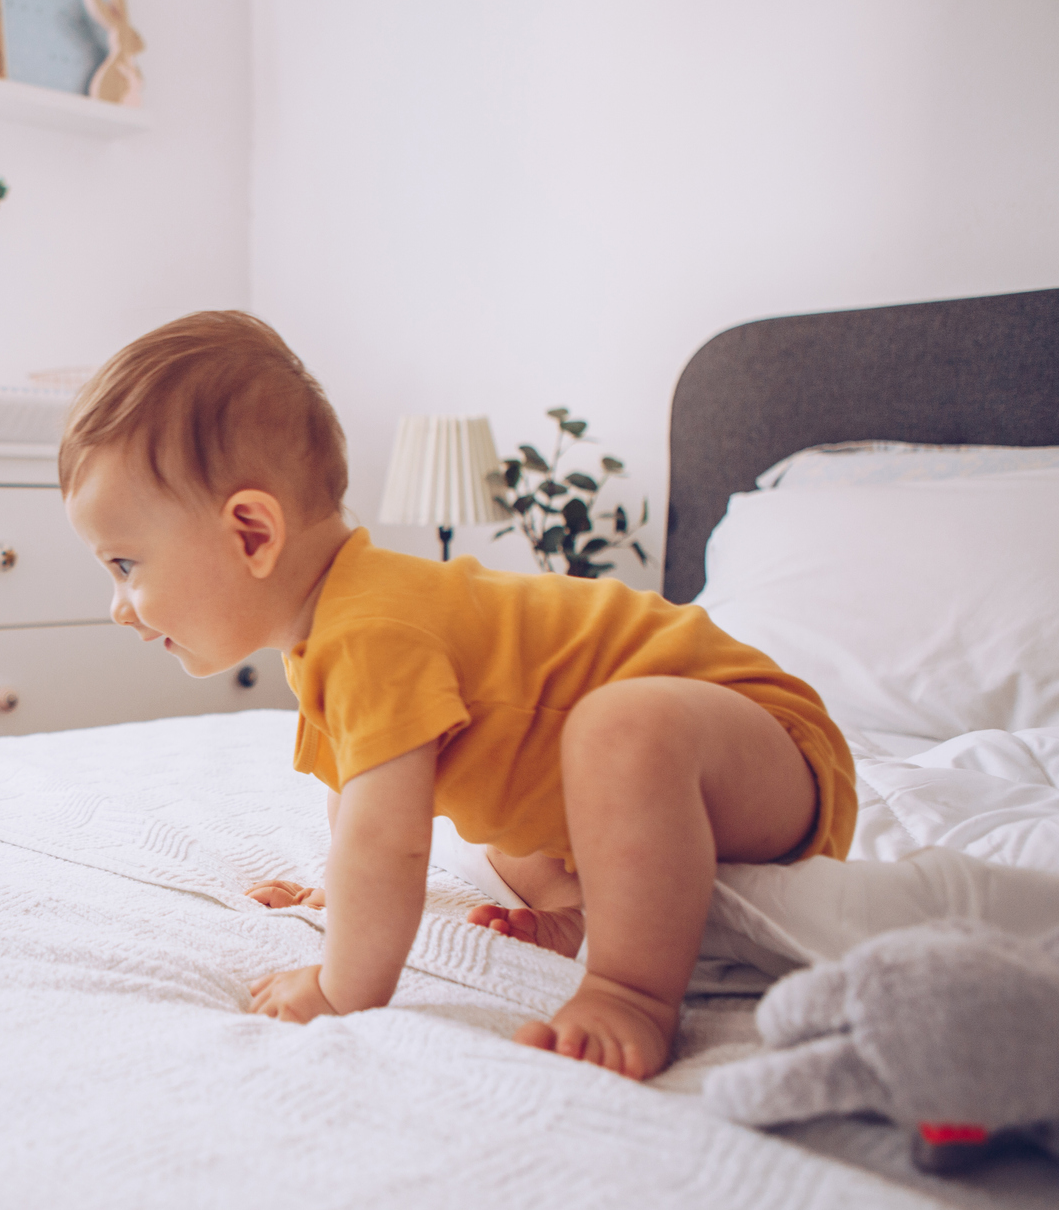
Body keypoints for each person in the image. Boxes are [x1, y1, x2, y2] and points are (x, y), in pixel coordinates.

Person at [58, 311, 854, 1080]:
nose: (118, 604)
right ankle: (575, 900)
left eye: (125, 565)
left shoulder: (372, 627)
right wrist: (337, 892)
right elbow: (360, 797)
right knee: (494, 767)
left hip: (765, 749)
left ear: (252, 536)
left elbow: (389, 844)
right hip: (663, 788)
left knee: (618, 726)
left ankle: (631, 991)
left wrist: (342, 984)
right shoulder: (329, 634)